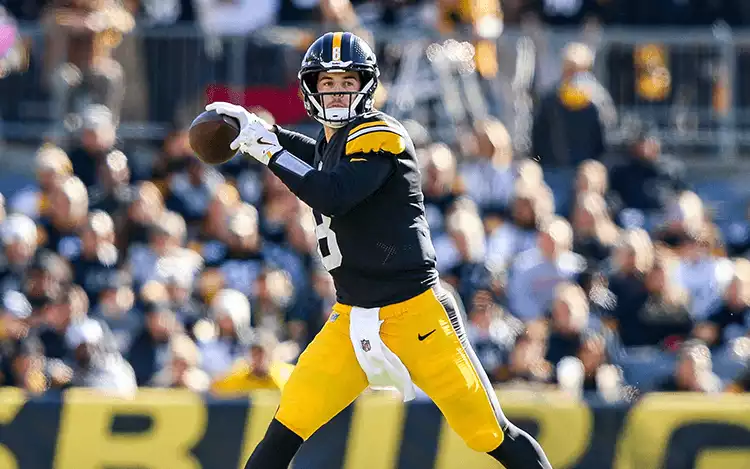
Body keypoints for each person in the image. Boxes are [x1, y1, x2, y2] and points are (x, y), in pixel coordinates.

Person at [207, 31, 553, 469]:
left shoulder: (381, 133)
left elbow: (333, 193)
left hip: (416, 314)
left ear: (366, 85)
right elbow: (316, 157)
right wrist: (264, 132)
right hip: (351, 317)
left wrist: (269, 149)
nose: (337, 92)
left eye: (346, 82)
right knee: (287, 423)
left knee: (487, 431)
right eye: (327, 83)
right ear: (311, 88)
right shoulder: (332, 141)